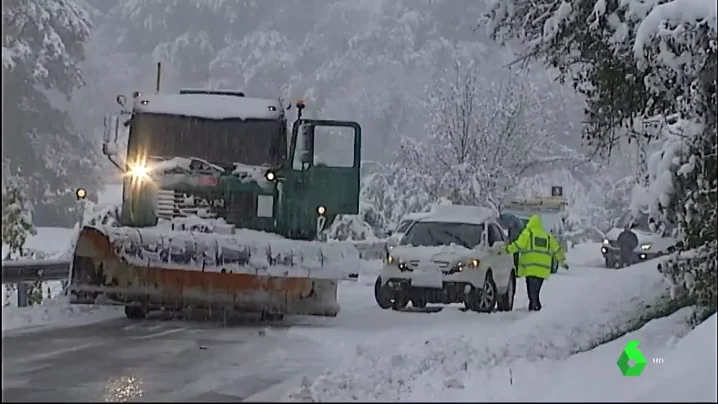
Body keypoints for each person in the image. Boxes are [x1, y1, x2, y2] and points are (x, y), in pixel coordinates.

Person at [502, 214, 567, 311]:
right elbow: (556, 249)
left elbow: (519, 245)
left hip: (530, 268)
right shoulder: (547, 236)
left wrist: (506, 250)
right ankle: (534, 309)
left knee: (532, 293)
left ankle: (535, 309)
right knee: (535, 292)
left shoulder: (528, 233)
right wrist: (562, 261)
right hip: (542, 270)